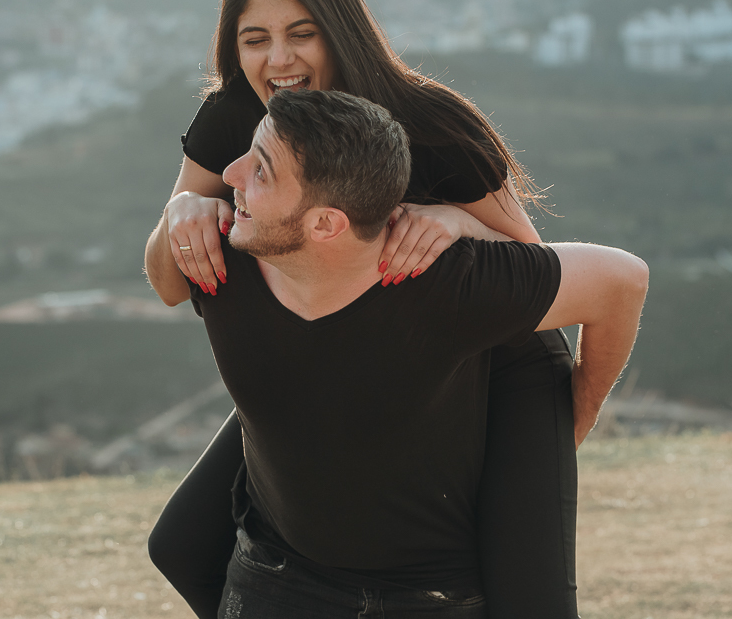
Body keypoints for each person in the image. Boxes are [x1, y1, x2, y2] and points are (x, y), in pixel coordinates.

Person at [145, 0, 590, 618]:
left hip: (493, 367)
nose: (279, 60)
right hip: (340, 357)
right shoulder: (237, 116)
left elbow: (534, 266)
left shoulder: (430, 122)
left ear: (340, 28)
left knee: (528, 604)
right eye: (254, 39)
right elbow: (173, 282)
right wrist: (178, 210)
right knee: (181, 544)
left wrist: (458, 221)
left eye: (301, 32)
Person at [161, 88, 647, 617]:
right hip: (277, 574)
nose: (229, 175)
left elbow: (622, 280)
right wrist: (178, 209)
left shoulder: (444, 285)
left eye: (261, 170)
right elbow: (166, 272)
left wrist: (582, 407)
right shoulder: (222, 255)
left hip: (430, 596)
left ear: (326, 223)